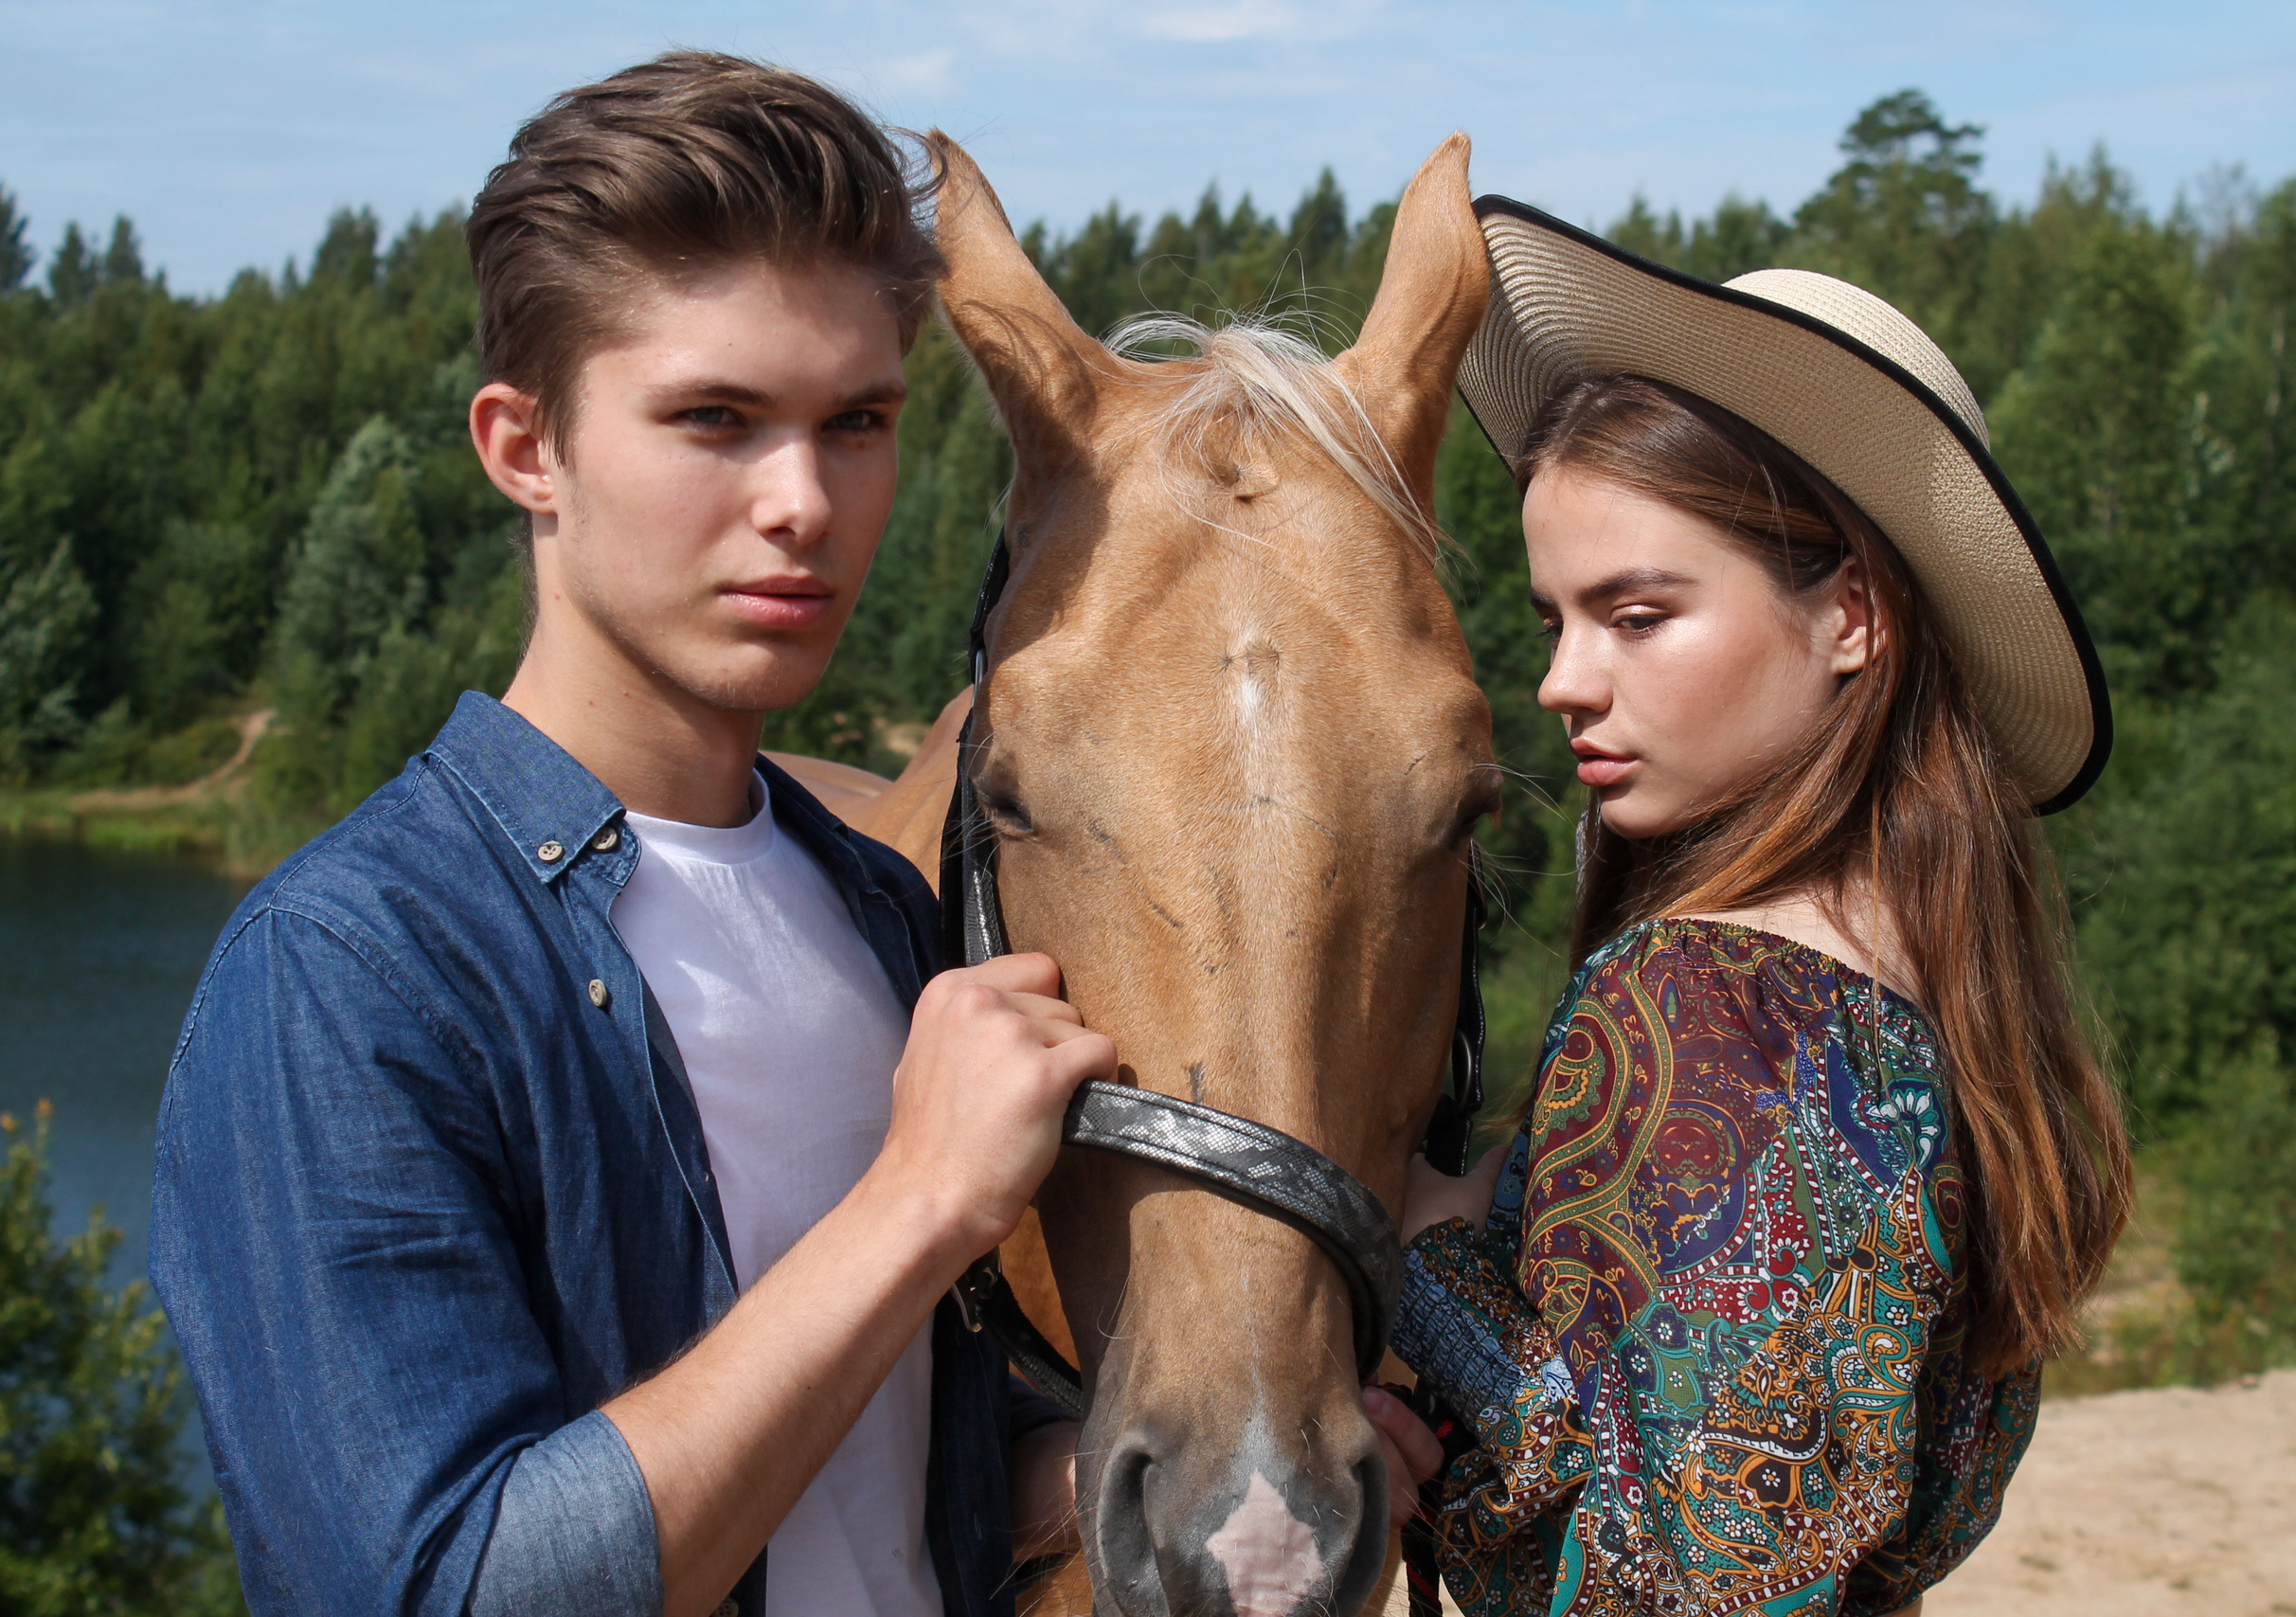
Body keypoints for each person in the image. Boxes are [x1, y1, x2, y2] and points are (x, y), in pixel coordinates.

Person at [152, 52, 1444, 1617]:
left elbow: (876, 1468)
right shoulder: (349, 974)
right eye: (714, 418)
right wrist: (917, 1201)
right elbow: (449, 1591)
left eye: (856, 420)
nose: (803, 502)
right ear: (524, 447)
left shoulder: (888, 915)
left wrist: (1135, 1475)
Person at [1394, 204, 2133, 1616]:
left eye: (1638, 614)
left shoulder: (1704, 997)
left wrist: (1420, 1250)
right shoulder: (1941, 1016)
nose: (1562, 681)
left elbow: (1684, 1576)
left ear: (1852, 612)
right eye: (1556, 619)